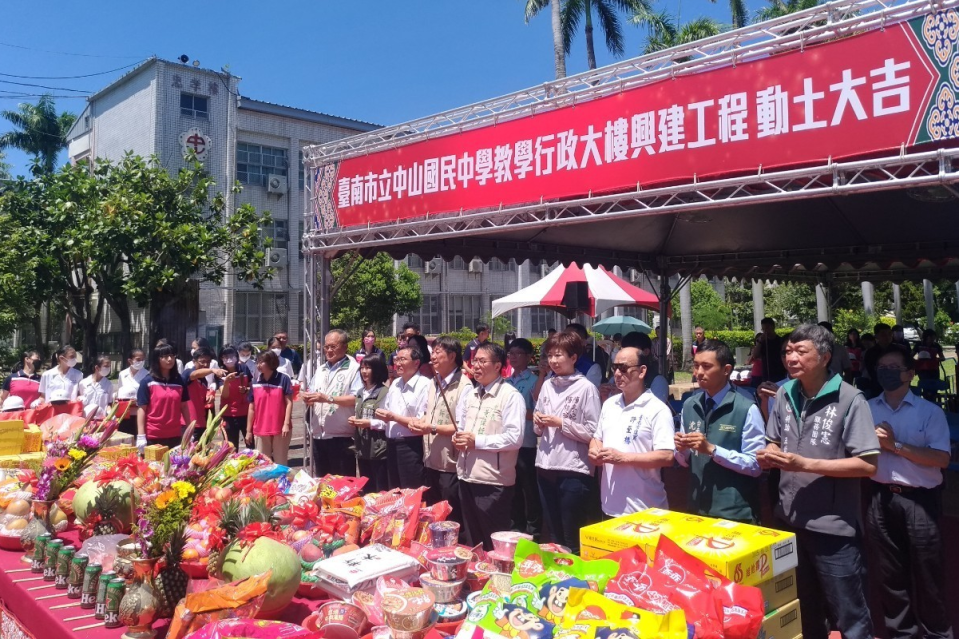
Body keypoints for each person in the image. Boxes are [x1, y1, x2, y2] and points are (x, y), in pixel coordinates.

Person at [758, 324, 880, 639]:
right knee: (804, 609)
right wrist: (769, 453)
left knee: (850, 616)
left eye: (801, 351)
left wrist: (806, 464)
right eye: (787, 351)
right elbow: (773, 439)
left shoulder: (851, 399)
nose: (791, 358)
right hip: (790, 520)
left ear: (825, 357)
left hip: (833, 528)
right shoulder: (785, 393)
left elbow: (867, 464)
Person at [866, 348, 953, 639]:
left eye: (893, 367)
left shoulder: (930, 412)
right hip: (879, 497)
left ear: (909, 374)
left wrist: (896, 446)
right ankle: (901, 633)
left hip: (919, 501)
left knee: (928, 575)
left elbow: (941, 459)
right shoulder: (866, 408)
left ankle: (937, 633)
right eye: (881, 366)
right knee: (889, 575)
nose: (885, 372)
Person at [675, 340, 763, 523]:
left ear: (726, 369)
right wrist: (681, 448)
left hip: (734, 514)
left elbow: (756, 465)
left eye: (707, 366)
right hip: (697, 511)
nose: (698, 373)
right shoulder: (690, 405)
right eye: (696, 365)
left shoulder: (745, 408)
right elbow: (684, 461)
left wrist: (713, 450)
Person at [534, 331, 600, 554]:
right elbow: (537, 429)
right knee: (554, 534)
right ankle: (557, 578)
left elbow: (594, 432)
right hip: (545, 464)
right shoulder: (547, 385)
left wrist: (560, 423)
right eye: (550, 355)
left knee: (572, 534)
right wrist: (539, 422)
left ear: (573, 358)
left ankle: (576, 582)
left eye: (559, 355)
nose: (553, 361)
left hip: (573, 468)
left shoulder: (586, 388)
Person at [453, 342, 524, 550]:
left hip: (493, 481)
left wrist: (476, 441)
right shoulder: (470, 394)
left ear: (497, 366)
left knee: (493, 542)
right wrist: (459, 439)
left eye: (482, 361)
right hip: (466, 475)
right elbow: (463, 428)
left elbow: (514, 438)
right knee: (474, 540)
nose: (476, 365)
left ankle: (497, 580)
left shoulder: (510, 396)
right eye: (474, 361)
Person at [588, 347, 675, 516]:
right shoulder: (609, 404)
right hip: (610, 505)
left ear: (642, 371)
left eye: (624, 368)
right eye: (615, 368)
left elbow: (667, 456)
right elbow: (597, 438)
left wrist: (623, 458)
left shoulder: (657, 409)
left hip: (645, 508)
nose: (618, 374)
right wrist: (594, 450)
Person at [411, 337, 469, 522]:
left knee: (451, 515)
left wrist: (432, 427)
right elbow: (429, 415)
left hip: (450, 463)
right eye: (432, 352)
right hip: (430, 459)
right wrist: (420, 423)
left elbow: (462, 426)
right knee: (433, 513)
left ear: (452, 356)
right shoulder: (433, 382)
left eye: (438, 352)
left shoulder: (464, 385)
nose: (433, 357)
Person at [303, 329, 362, 478]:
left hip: (341, 436)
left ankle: (344, 503)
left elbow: (357, 398)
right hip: (319, 434)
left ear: (345, 346)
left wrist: (328, 398)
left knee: (342, 483)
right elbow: (310, 390)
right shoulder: (321, 369)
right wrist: (306, 396)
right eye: (326, 347)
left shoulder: (354, 368)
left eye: (333, 346)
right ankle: (327, 502)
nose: (328, 350)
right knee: (324, 482)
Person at [374, 345, 430, 488]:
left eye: (402, 359)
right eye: (396, 359)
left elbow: (420, 422)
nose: (397, 363)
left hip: (411, 445)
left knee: (411, 490)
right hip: (391, 443)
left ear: (416, 363)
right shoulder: (395, 384)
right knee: (394, 490)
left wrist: (393, 417)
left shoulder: (425, 385)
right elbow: (387, 411)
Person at [505, 338, 542, 540]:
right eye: (510, 353)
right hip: (510, 443)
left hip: (527, 442)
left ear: (529, 357)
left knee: (529, 488)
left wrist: (517, 412)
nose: (513, 357)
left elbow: (538, 413)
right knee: (513, 486)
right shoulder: (506, 381)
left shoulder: (535, 381)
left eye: (518, 353)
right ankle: (515, 525)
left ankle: (534, 529)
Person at [136, 342, 191, 450]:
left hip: (175, 434)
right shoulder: (147, 382)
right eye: (165, 356)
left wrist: (190, 430)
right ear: (157, 359)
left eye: (172, 355)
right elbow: (142, 409)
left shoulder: (179, 381)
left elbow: (184, 406)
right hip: (153, 435)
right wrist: (141, 435)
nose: (170, 359)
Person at [349, 352, 390, 492]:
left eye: (368, 368)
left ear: (377, 369)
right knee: (366, 489)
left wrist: (370, 423)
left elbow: (388, 422)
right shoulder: (360, 392)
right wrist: (355, 420)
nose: (364, 371)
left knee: (380, 489)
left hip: (379, 449)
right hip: (362, 448)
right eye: (362, 368)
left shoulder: (384, 392)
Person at [245, 351, 293, 464]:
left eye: (262, 362)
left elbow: (289, 403)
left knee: (280, 462)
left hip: (280, 429)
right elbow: (251, 408)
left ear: (271, 362)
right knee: (262, 465)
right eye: (257, 362)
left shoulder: (283, 379)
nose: (258, 365)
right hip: (261, 429)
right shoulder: (255, 382)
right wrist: (248, 431)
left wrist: (286, 424)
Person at [183, 346, 225, 435]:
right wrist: (212, 370)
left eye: (208, 362)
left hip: (202, 423)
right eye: (202, 362)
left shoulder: (204, 380)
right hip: (189, 424)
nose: (205, 365)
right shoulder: (188, 372)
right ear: (194, 361)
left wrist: (208, 397)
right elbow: (194, 374)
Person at [862, 323, 910, 399]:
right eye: (883, 334)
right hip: (878, 388)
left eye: (889, 334)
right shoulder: (871, 353)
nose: (887, 337)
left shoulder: (899, 350)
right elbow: (872, 372)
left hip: (898, 386)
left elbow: (906, 368)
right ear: (876, 336)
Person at [218, 346, 252, 451]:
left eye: (232, 356)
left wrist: (246, 389)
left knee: (251, 444)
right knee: (232, 448)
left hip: (246, 413)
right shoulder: (220, 373)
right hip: (229, 415)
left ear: (236, 356)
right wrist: (227, 381)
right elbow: (224, 395)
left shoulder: (244, 368)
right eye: (225, 356)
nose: (229, 359)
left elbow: (251, 387)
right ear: (221, 358)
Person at [621, 332, 668, 402]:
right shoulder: (616, 378)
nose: (624, 355)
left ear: (646, 352)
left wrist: (623, 396)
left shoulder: (657, 381)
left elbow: (655, 410)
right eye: (622, 351)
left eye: (630, 351)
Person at [751, 318, 786, 384]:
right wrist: (759, 343)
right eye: (763, 329)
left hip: (779, 373)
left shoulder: (780, 341)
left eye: (767, 328)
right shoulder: (762, 343)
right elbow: (755, 356)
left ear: (773, 327)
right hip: (766, 375)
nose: (765, 331)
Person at [79, 355, 114, 419]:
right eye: (106, 366)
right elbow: (79, 400)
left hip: (101, 419)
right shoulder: (83, 383)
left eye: (109, 366)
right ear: (97, 368)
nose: (108, 369)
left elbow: (109, 403)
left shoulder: (109, 385)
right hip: (85, 419)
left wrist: (110, 414)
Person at [913, 328, 945, 398]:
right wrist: (917, 362)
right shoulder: (919, 345)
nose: (933, 339)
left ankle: (934, 401)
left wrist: (935, 359)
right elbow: (911, 355)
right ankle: (926, 401)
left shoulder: (936, 346)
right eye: (932, 337)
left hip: (934, 369)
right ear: (927, 336)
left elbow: (943, 358)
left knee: (934, 387)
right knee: (925, 387)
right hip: (922, 370)